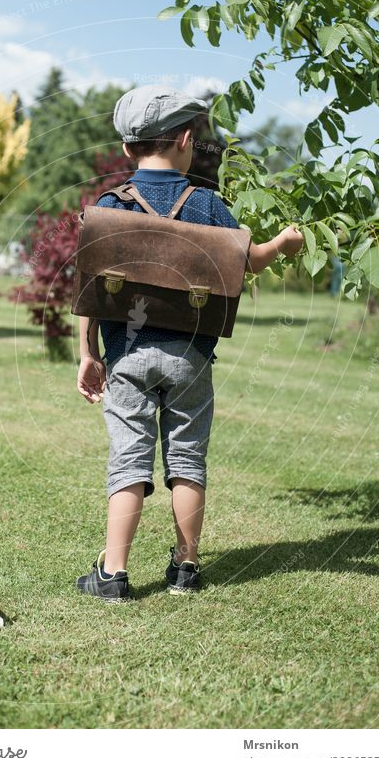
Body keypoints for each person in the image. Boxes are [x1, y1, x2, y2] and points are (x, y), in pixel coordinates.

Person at [75, 85, 303, 601]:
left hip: (127, 357)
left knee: (129, 459)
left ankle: (113, 574)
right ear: (183, 140)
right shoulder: (206, 204)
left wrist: (89, 353)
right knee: (187, 458)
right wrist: (284, 244)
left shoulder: (108, 207)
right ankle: (186, 567)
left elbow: (88, 295)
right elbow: (249, 259)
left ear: (129, 149)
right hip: (191, 360)